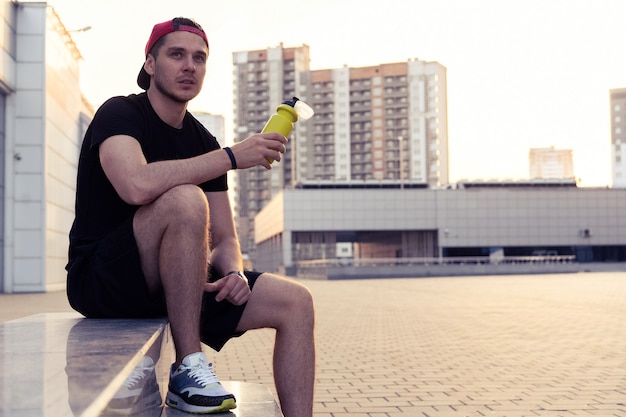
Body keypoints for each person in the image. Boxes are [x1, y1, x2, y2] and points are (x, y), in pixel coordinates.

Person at [65, 17, 315, 416]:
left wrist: (233, 271)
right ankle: (188, 367)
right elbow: (135, 185)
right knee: (185, 199)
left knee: (296, 303)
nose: (189, 67)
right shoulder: (120, 113)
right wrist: (231, 157)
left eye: (199, 58)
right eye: (176, 55)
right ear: (150, 64)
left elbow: (225, 240)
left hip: (179, 282)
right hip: (104, 280)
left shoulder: (203, 140)